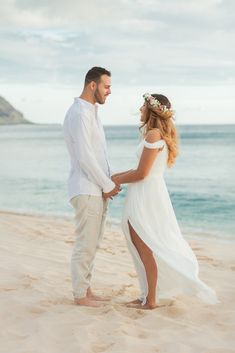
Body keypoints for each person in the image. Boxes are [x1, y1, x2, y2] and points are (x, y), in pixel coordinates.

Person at [112, 93, 218, 310]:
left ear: (151, 110)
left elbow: (142, 173)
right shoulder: (155, 134)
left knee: (144, 248)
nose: (140, 109)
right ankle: (146, 295)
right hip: (149, 192)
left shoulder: (153, 134)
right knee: (140, 246)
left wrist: (116, 181)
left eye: (143, 105)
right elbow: (138, 170)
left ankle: (150, 300)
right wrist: (113, 178)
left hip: (145, 194)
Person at [63, 67, 120, 307]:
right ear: (92, 85)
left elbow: (98, 154)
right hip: (86, 188)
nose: (110, 91)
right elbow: (85, 157)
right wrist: (107, 184)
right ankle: (80, 296)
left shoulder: (91, 112)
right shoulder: (79, 114)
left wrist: (108, 183)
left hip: (95, 188)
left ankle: (86, 289)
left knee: (93, 243)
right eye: (106, 86)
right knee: (85, 243)